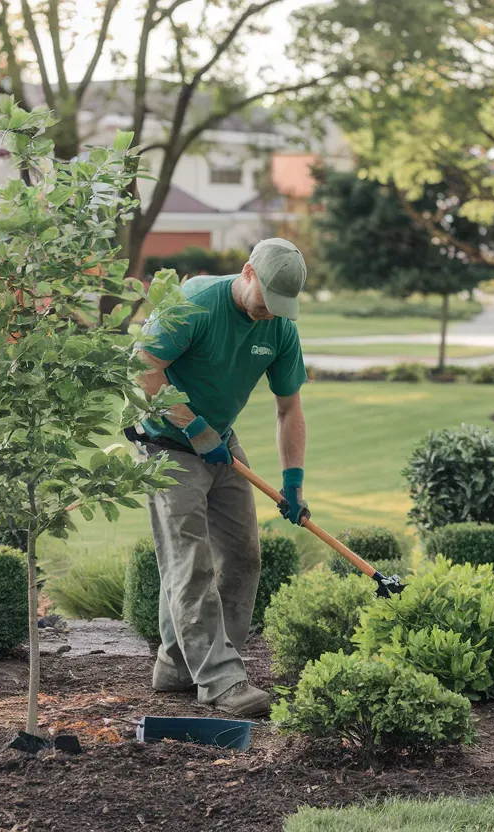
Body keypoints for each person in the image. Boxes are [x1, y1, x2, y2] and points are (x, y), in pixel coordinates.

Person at [130, 238, 310, 718]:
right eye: (266, 301)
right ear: (247, 272)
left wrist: (293, 482)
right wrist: (193, 427)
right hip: (167, 444)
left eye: (281, 307)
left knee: (244, 557)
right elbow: (141, 371)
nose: (270, 313)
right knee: (190, 562)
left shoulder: (280, 329)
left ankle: (178, 666)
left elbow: (289, 407)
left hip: (221, 444)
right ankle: (221, 679)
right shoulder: (193, 305)